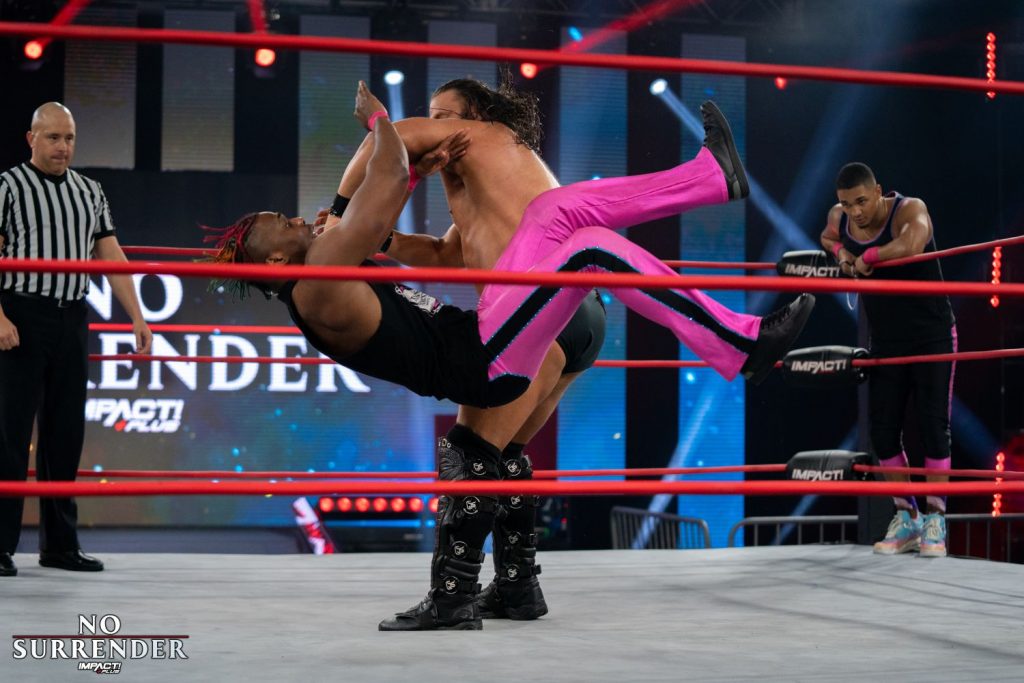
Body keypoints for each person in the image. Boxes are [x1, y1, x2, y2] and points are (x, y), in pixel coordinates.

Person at [209, 82, 814, 629]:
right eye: (282, 221)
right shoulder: (317, 281)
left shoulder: (323, 271)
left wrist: (406, 176)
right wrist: (377, 123)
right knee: (582, 252)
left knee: (563, 219)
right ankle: (738, 336)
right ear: (276, 261)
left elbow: (400, 213)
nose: (296, 216)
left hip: (489, 331)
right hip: (485, 356)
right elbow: (387, 176)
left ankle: (712, 194)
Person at [315, 77, 607, 625]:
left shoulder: (484, 137)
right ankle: (518, 588)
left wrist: (340, 215)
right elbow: (446, 253)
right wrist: (380, 241)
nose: (435, 126)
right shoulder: (497, 174)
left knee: (469, 449)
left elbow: (387, 139)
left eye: (444, 115)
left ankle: (452, 596)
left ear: (476, 117)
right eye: (432, 115)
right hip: (580, 315)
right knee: (506, 452)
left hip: (539, 314)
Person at [0, 102, 153, 578]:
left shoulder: (89, 191)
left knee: (65, 433)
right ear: (32, 139)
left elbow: (110, 253)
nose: (63, 147)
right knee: (9, 434)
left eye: (69, 138)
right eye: (53, 137)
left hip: (71, 316)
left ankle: (60, 546)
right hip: (20, 315)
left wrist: (138, 315)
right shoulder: (8, 186)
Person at [820, 162, 956, 558]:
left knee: (933, 427)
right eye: (848, 204)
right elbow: (827, 236)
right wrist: (842, 253)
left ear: (878, 191)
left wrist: (870, 256)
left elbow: (912, 244)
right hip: (886, 341)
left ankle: (936, 520)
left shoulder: (909, 209)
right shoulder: (840, 218)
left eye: (862, 201)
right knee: (882, 433)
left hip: (931, 334)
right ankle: (907, 516)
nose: (856, 212)